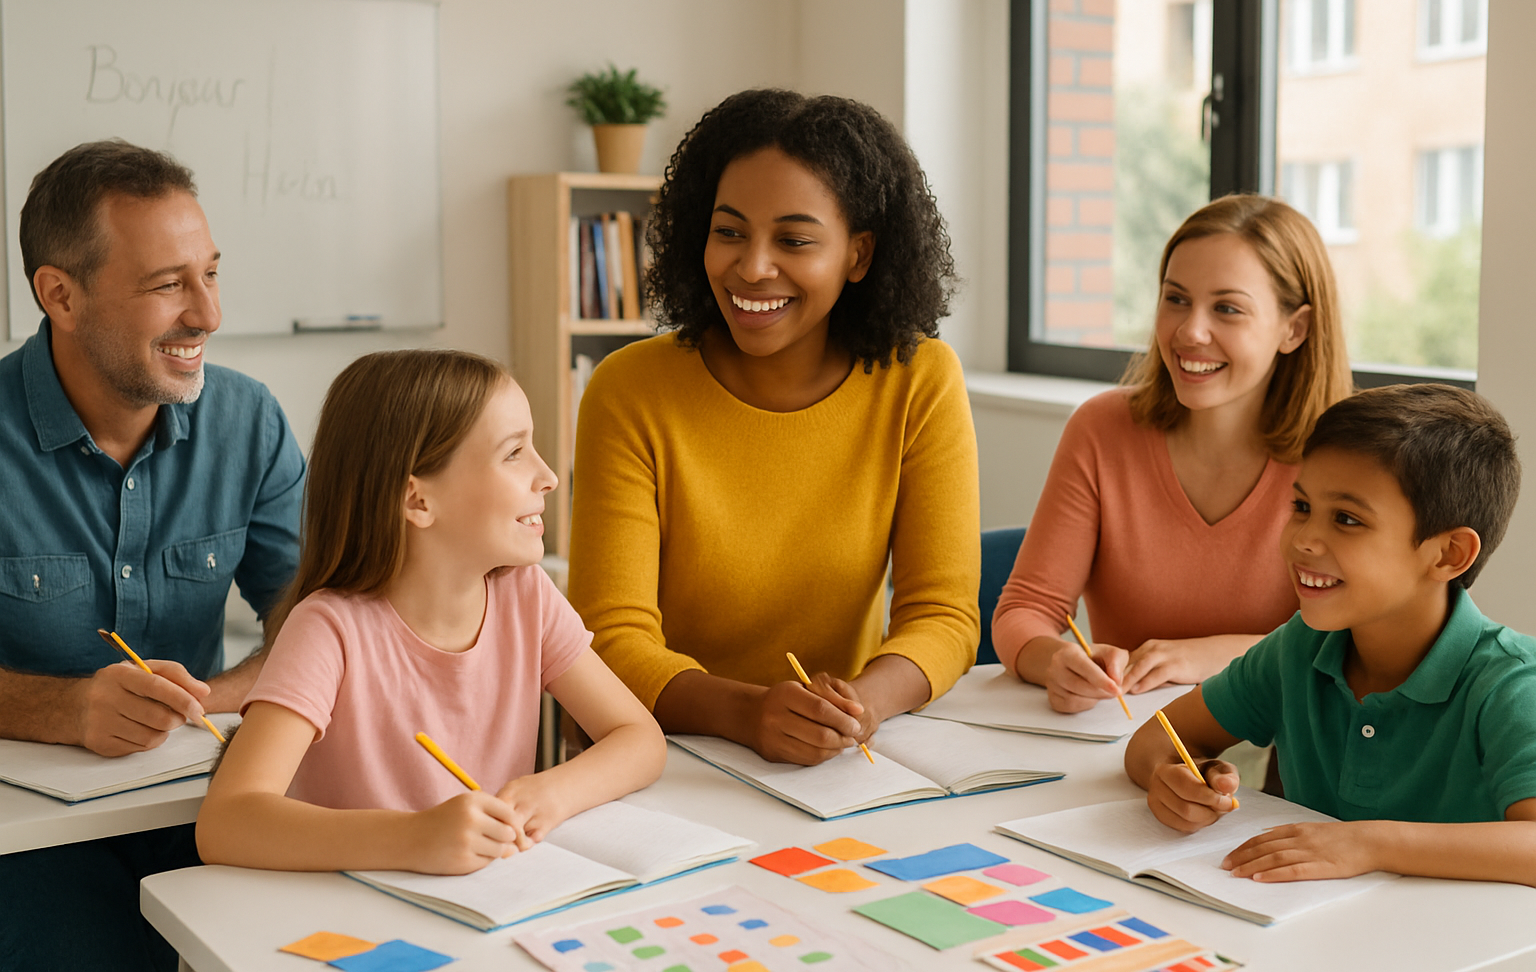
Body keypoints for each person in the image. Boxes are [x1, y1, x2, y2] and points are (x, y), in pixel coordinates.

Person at [567, 89, 980, 767]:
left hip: (840, 761)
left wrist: (859, 707)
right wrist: (747, 712)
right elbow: (610, 636)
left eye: (793, 240)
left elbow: (944, 615)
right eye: (729, 231)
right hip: (665, 758)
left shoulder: (919, 380)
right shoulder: (629, 389)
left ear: (859, 254)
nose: (753, 267)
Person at [0, 140, 304, 970]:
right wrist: (63, 711)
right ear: (59, 295)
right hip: (26, 849)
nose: (207, 314)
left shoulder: (249, 419)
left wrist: (229, 697)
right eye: (168, 284)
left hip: (201, 805)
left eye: (210, 273)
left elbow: (321, 612)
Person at [197, 350, 665, 872]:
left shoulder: (526, 595)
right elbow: (227, 823)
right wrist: (416, 837)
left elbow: (640, 739)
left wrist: (550, 793)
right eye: (514, 454)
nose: (548, 476)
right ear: (418, 501)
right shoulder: (328, 629)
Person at [1124, 384, 1536, 884]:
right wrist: (1173, 779)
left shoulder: (1513, 685)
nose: (1302, 540)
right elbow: (1156, 739)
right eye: (1301, 508)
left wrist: (1371, 842)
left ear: (1448, 555)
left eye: (1346, 519)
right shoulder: (1300, 647)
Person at [992, 195, 1352, 713]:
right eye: (1176, 299)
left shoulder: (1343, 459)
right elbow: (1026, 608)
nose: (1189, 331)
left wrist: (1207, 658)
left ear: (1293, 329)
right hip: (1127, 749)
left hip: (1285, 768)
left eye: (1227, 308)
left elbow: (1356, 642)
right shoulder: (1102, 430)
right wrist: (1056, 661)